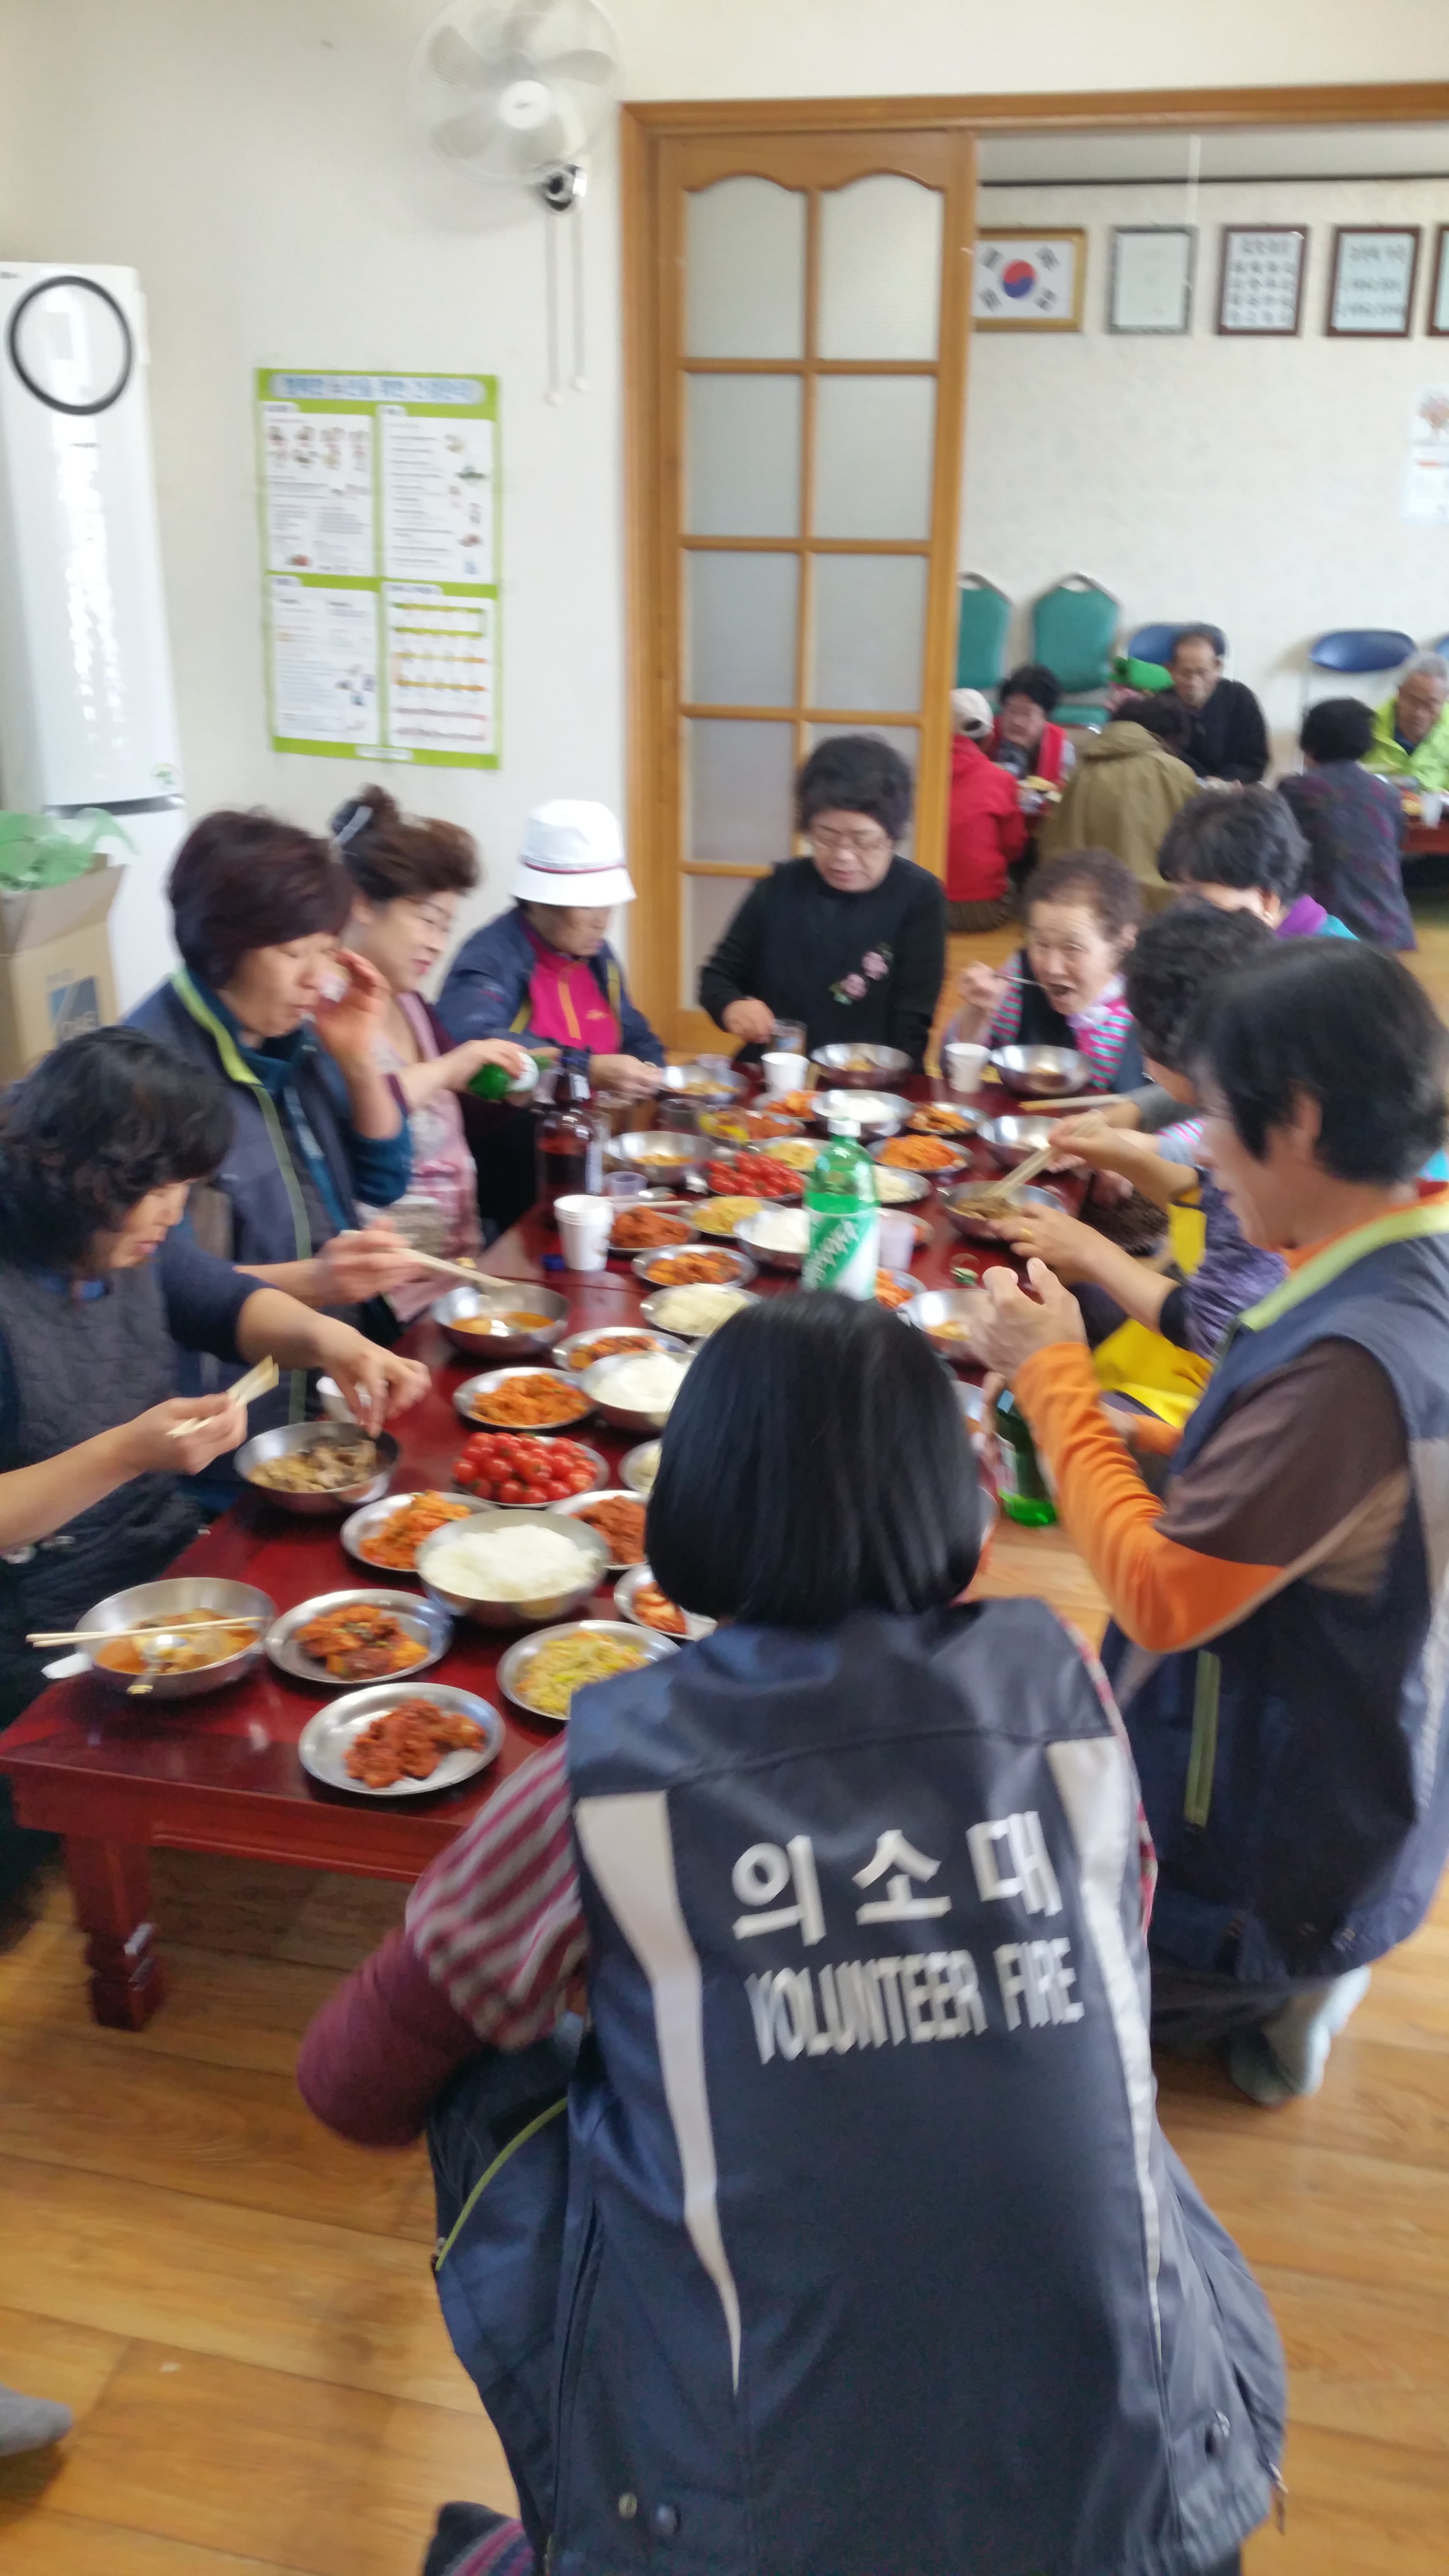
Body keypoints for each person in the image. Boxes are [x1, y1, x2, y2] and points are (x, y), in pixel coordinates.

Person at [300, 1295, 1283, 2576]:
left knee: (503, 2074)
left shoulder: (611, 1774)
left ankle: (598, 2528)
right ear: (964, 1502)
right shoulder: (1062, 1687)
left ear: (693, 1505)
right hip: (1160, 2490)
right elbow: (1115, 1935)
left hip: (763, 2531)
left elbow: (350, 2080)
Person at [970, 940, 1449, 2109]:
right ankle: (1294, 1967)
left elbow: (1160, 1597)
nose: (1204, 1156)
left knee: (1016, 1990)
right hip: (1363, 1746)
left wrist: (1053, 1376)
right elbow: (1326, 1485)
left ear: (1300, 1118)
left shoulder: (1354, 1361)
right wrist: (1153, 1439)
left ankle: (1280, 1991)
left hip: (1269, 1835)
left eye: (1219, 1120)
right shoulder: (1403, 1246)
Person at [0, 1029, 428, 1889]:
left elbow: (225, 1301)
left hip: (161, 1573)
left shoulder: (130, 1238)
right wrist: (126, 1452)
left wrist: (334, 1342)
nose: (174, 1212)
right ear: (85, 1180)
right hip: (35, 1623)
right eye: (159, 1191)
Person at [129, 810, 426, 1434]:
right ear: (221, 944)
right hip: (219, 1418)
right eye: (293, 953)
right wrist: (316, 1280)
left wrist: (358, 1058)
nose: (318, 978)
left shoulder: (295, 1036)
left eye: (327, 950)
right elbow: (151, 1279)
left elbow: (385, 1177)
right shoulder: (146, 1074)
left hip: (325, 1384)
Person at [994, 905, 1286, 1429]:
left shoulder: (1258, 1147)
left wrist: (1090, 1251)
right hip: (1188, 1345)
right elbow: (1203, 1196)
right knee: (1055, 1298)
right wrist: (1120, 1153)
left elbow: (1210, 1328)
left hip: (1209, 1401)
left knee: (1018, 1403)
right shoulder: (1254, 1093)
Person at [333, 787, 532, 1318]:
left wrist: (505, 1094)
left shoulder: (412, 1003)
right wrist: (448, 1068)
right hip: (385, 1298)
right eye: (426, 919)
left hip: (454, 1276)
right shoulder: (327, 1012)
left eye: (446, 927)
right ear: (362, 903)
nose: (438, 944)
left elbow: (456, 1108)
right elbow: (353, 1116)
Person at [698, 734, 947, 1068]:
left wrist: (888, 1082)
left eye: (862, 841)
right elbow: (717, 978)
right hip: (779, 1073)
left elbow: (913, 1024)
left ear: (892, 836)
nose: (843, 856)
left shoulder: (918, 897)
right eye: (826, 837)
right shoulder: (779, 888)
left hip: (869, 1078)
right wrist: (733, 1007)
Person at [435, 801, 665, 1098]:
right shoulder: (490, 957)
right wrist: (583, 1070)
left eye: (608, 904)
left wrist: (656, 1074)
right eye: (587, 905)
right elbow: (474, 1042)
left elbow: (633, 1032)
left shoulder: (598, 957)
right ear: (538, 901)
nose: (602, 922)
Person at [945, 848, 1145, 1092]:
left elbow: (1176, 1108)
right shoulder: (1019, 979)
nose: (1052, 967)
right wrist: (976, 1014)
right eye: (1041, 944)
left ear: (1123, 941)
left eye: (1072, 948)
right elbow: (951, 1071)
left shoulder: (1149, 1009)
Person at [1278, 698, 1415, 951]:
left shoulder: (1296, 791)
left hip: (1327, 928)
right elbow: (1398, 848)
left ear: (1309, 741)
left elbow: (1279, 853)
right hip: (1390, 928)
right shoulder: (1388, 794)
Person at [1036, 693, 1200, 892]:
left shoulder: (1080, 772)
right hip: (1158, 899)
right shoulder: (1178, 773)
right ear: (1171, 739)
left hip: (1082, 897)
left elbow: (1052, 842)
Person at [1157, 787, 1353, 939]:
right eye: (1178, 898)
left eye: (1199, 901)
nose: (1182, 915)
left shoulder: (1328, 970)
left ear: (1267, 900)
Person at [943, 687, 1026, 931]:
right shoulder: (1001, 780)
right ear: (990, 739)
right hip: (983, 910)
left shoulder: (912, 774)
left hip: (920, 907)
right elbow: (1014, 848)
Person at [1166, 627, 1269, 785]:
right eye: (1185, 673)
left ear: (1217, 668)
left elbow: (1256, 762)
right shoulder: (1160, 706)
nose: (1193, 682)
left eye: (1202, 673)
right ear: (1171, 670)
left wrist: (1225, 781)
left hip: (1233, 789)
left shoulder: (1240, 699)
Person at [1361, 649, 1449, 793]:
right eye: (1412, 701)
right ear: (1400, 693)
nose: (1419, 713)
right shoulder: (1367, 727)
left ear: (1445, 699)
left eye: (1430, 705)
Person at [990, 661, 1076, 790]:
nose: (1016, 721)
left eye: (1027, 714)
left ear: (1045, 717)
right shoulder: (985, 736)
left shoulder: (1062, 752)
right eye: (1011, 711)